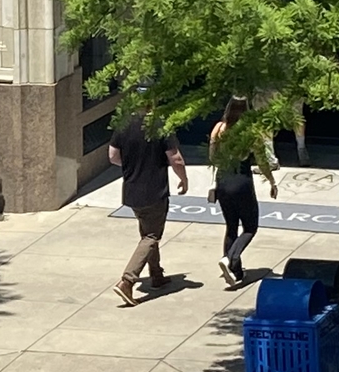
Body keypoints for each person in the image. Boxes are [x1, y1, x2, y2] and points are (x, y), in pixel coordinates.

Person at [109, 111, 187, 306]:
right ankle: (127, 281)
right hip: (154, 191)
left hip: (132, 191)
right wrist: (183, 179)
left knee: (147, 231)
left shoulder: (123, 123)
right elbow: (175, 158)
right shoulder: (159, 125)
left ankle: (156, 274)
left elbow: (112, 156)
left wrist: (131, 165)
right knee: (151, 236)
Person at [206, 97, 280, 286]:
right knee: (250, 227)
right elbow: (262, 160)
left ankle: (236, 273)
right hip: (242, 181)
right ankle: (230, 258)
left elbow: (212, 157)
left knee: (231, 226)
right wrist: (271, 182)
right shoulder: (250, 133)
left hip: (223, 181)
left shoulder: (219, 129)